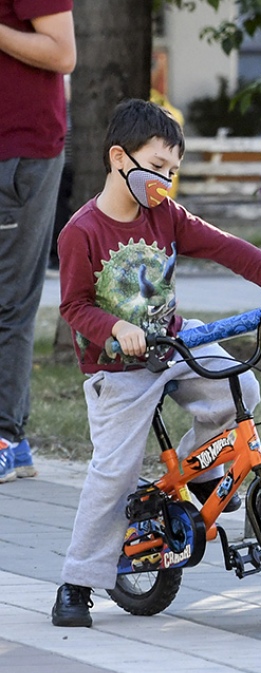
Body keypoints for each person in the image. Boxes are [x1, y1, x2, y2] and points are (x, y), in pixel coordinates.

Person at [52, 99, 261, 627]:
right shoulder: (81, 232)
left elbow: (225, 247)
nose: (165, 181)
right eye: (156, 167)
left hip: (175, 345)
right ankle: (78, 581)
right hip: (117, 370)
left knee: (240, 390)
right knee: (115, 471)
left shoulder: (166, 216)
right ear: (118, 158)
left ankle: (197, 475)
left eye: (172, 171)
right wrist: (117, 329)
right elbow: (73, 306)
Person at [0, 0, 75, 483]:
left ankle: (5, 435)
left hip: (18, 153)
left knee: (7, 300)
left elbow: (62, 52)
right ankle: (16, 443)